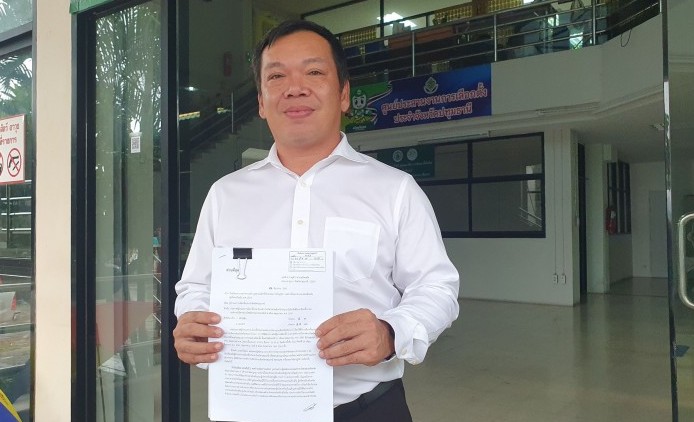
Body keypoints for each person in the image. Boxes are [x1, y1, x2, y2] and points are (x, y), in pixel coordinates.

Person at [173, 19, 460, 422]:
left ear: (343, 94)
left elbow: (436, 286)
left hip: (367, 409)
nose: (295, 88)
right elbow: (196, 286)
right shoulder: (225, 195)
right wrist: (192, 320)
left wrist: (391, 331)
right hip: (250, 406)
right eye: (276, 76)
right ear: (261, 102)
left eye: (313, 72)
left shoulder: (394, 189)